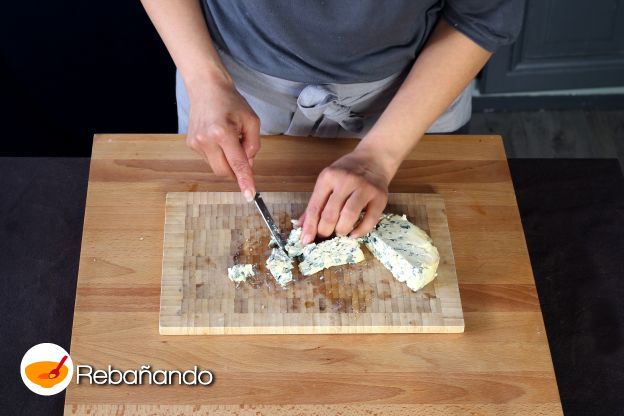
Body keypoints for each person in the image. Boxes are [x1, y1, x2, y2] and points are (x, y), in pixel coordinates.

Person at [140, 0, 523, 244]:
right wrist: (205, 81)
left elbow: (481, 15)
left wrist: (381, 154)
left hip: (418, 92)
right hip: (230, 89)